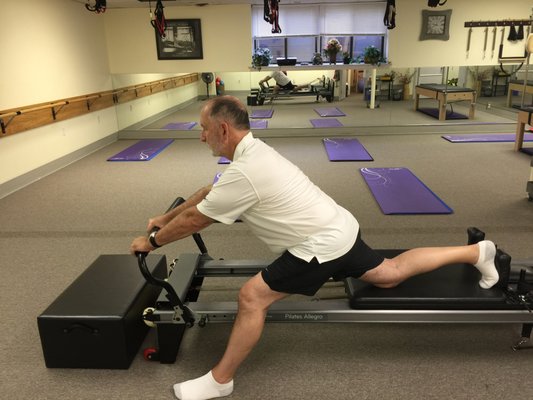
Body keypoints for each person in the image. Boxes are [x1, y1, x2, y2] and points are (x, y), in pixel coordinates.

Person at [130, 95, 499, 400]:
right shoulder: (252, 153)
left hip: (319, 245)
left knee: (251, 297)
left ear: (222, 129)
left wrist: (151, 242)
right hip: (339, 226)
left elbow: (198, 220)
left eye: (204, 130)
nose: (201, 137)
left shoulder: (245, 171)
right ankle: (478, 253)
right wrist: (166, 217)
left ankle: (220, 380)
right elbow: (208, 193)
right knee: (390, 274)